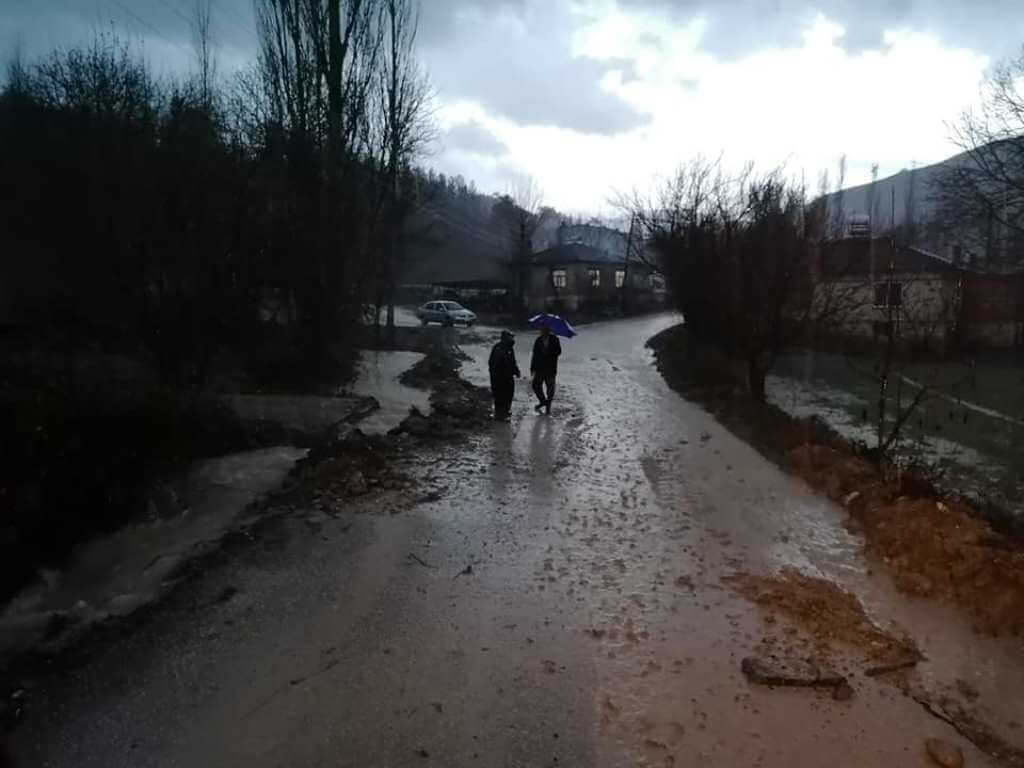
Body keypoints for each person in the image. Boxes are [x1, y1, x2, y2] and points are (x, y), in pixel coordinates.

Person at [488, 330, 520, 421]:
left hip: (508, 377)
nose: (512, 339)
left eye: (512, 337)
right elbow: (493, 363)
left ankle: (505, 412)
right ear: (505, 338)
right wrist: (494, 375)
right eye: (510, 337)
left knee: (508, 395)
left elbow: (513, 361)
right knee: (499, 396)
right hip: (499, 377)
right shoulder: (498, 348)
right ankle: (499, 414)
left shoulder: (510, 348)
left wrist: (516, 371)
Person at [530, 324, 561, 415]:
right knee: (535, 385)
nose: (542, 331)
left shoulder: (555, 339)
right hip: (540, 368)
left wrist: (548, 352)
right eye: (542, 329)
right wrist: (532, 368)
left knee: (550, 388)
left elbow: (558, 352)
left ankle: (548, 407)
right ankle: (543, 401)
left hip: (550, 368)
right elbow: (534, 355)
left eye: (545, 329)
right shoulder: (538, 340)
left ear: (549, 330)